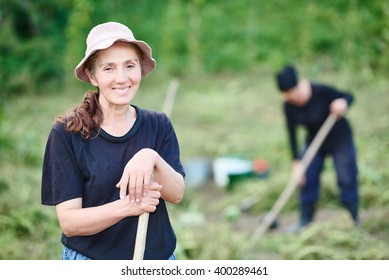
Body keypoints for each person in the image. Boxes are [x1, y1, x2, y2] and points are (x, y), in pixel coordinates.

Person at [41, 21, 185, 260]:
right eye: (109, 68)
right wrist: (128, 206)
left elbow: (177, 194)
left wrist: (151, 157)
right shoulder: (67, 133)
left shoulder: (158, 125)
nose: (122, 78)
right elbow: (70, 222)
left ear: (140, 69)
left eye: (130, 65)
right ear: (92, 75)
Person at [275, 64, 359, 232]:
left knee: (346, 177)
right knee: (307, 178)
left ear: (297, 86)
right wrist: (296, 162)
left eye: (293, 95)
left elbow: (348, 96)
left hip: (339, 139)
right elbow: (292, 134)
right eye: (287, 96)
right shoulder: (288, 105)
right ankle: (305, 220)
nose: (291, 99)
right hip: (315, 142)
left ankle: (351, 220)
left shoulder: (321, 91)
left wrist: (342, 103)